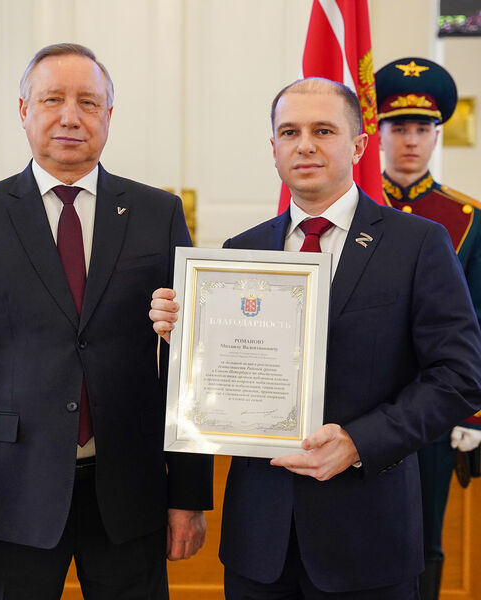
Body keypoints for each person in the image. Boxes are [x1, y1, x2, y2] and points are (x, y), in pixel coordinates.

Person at [150, 77, 481, 599]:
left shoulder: (417, 244)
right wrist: (182, 336)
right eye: (290, 132)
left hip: (368, 535)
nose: (304, 145)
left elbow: (460, 377)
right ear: (274, 148)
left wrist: (358, 443)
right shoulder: (241, 251)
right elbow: (218, 384)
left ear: (358, 145)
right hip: (260, 541)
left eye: (323, 131)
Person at [0, 43, 213, 599]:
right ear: (23, 110)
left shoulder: (158, 214)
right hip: (9, 498)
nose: (70, 117)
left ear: (109, 114)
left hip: (129, 494)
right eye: (52, 99)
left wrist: (188, 496)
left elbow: (188, 365)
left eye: (89, 102)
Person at [375, 56, 481, 600]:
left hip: (434, 406)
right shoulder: (352, 208)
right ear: (377, 134)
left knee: (423, 540)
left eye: (422, 128)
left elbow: (477, 318)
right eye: (398, 128)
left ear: (437, 133)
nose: (411, 141)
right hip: (360, 403)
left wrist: (473, 412)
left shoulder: (467, 218)